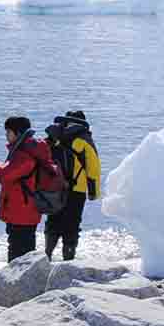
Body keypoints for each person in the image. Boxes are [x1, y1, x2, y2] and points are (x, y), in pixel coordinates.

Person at [0, 116, 50, 261]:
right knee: (24, 248)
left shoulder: (24, 153)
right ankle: (26, 278)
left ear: (17, 133)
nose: (6, 135)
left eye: (8, 132)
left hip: (21, 211)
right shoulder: (28, 149)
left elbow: (4, 174)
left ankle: (18, 281)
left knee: (18, 252)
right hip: (27, 210)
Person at [44, 111, 101, 261]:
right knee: (72, 223)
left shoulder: (54, 137)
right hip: (77, 189)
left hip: (54, 187)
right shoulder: (83, 139)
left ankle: (47, 255)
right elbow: (93, 166)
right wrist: (93, 192)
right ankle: (68, 259)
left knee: (53, 220)